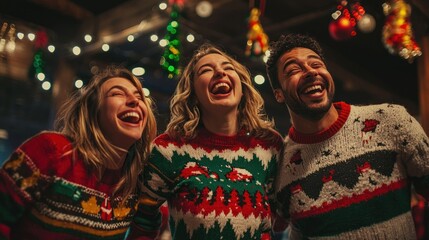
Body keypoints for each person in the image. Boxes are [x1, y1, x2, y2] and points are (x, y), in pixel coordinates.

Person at [265, 32, 429, 239]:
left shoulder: (390, 121)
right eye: (293, 70)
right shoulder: (279, 165)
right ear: (278, 93)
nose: (310, 72)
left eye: (316, 64)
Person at [127, 43, 284, 240]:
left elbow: (279, 216)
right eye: (206, 70)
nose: (220, 72)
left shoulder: (269, 145)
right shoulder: (169, 150)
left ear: (242, 87)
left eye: (228, 68)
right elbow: (143, 220)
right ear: (192, 93)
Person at [0, 65, 157, 239]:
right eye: (117, 93)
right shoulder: (50, 150)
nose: (134, 101)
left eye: (139, 96)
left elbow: (146, 230)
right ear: (93, 111)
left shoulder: (137, 181)